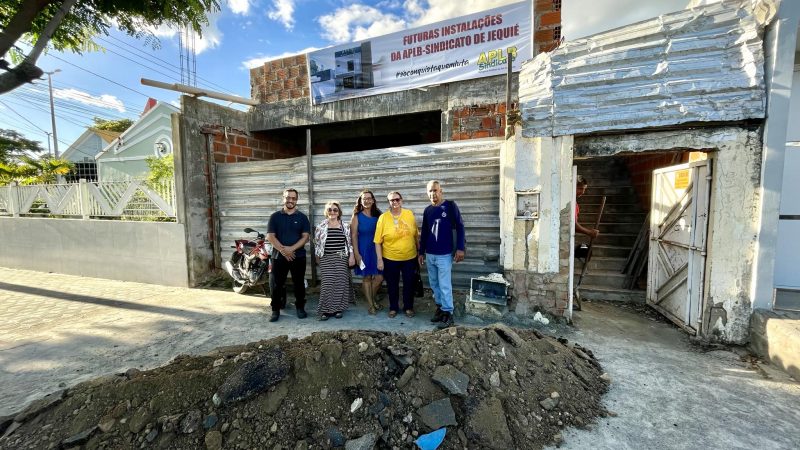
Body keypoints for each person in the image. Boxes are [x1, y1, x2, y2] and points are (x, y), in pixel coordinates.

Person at [418, 180, 466, 329]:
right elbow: (425, 232)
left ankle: (448, 313)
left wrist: (460, 248)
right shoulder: (427, 210)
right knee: (434, 283)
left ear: (441, 191)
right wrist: (421, 252)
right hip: (430, 254)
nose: (433, 194)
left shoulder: (450, 206)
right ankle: (440, 308)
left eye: (435, 190)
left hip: (444, 254)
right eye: (430, 191)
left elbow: (460, 226)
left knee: (444, 284)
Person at [266, 188, 311, 322]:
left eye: (293, 198)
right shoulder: (275, 216)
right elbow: (270, 236)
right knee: (276, 284)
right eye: (288, 197)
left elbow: (305, 237)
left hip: (298, 256)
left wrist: (291, 249)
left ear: (297, 200)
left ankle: (300, 308)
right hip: (278, 256)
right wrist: (283, 250)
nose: (290, 200)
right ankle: (275, 310)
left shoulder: (302, 217)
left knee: (299, 283)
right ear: (283, 198)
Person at [374, 191, 419, 318]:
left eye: (397, 199)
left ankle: (408, 307)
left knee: (409, 284)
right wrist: (379, 260)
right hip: (390, 258)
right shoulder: (383, 218)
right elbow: (377, 241)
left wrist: (420, 252)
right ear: (388, 202)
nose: (395, 202)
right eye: (392, 200)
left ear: (401, 200)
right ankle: (393, 307)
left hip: (410, 257)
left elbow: (416, 235)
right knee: (392, 285)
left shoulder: (409, 214)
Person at [314, 201, 355, 320]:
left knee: (340, 283)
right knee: (327, 284)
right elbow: (317, 244)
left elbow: (349, 243)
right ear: (326, 212)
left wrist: (351, 256)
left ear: (339, 212)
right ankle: (325, 310)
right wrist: (318, 258)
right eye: (330, 209)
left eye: (335, 210)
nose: (332, 212)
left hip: (341, 257)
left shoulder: (345, 226)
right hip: (326, 258)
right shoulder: (321, 226)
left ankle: (338, 309)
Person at [350, 190, 383, 315]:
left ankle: (371, 298)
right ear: (360, 201)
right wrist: (357, 254)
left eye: (369, 198)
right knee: (367, 277)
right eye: (364, 199)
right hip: (363, 249)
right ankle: (371, 305)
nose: (367, 201)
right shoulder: (357, 216)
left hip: (377, 250)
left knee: (379, 277)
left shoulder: (378, 215)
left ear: (373, 200)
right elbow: (353, 236)